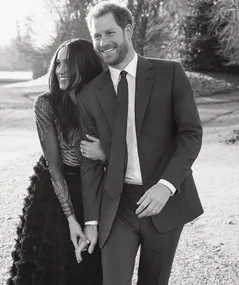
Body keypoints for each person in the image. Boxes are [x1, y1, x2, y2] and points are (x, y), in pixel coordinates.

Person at [76, 2, 204, 285]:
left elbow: (191, 134)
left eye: (109, 33)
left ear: (128, 30)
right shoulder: (88, 95)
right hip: (117, 206)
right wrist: (91, 222)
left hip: (164, 202)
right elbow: (90, 165)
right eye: (96, 36)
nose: (102, 42)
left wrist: (166, 185)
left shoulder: (169, 74)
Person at [6, 38, 105, 285]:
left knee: (90, 266)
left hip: (92, 189)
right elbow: (55, 168)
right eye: (58, 63)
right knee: (50, 267)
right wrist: (72, 221)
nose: (60, 69)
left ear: (85, 65)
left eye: (68, 64)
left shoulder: (102, 102)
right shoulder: (46, 104)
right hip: (54, 190)